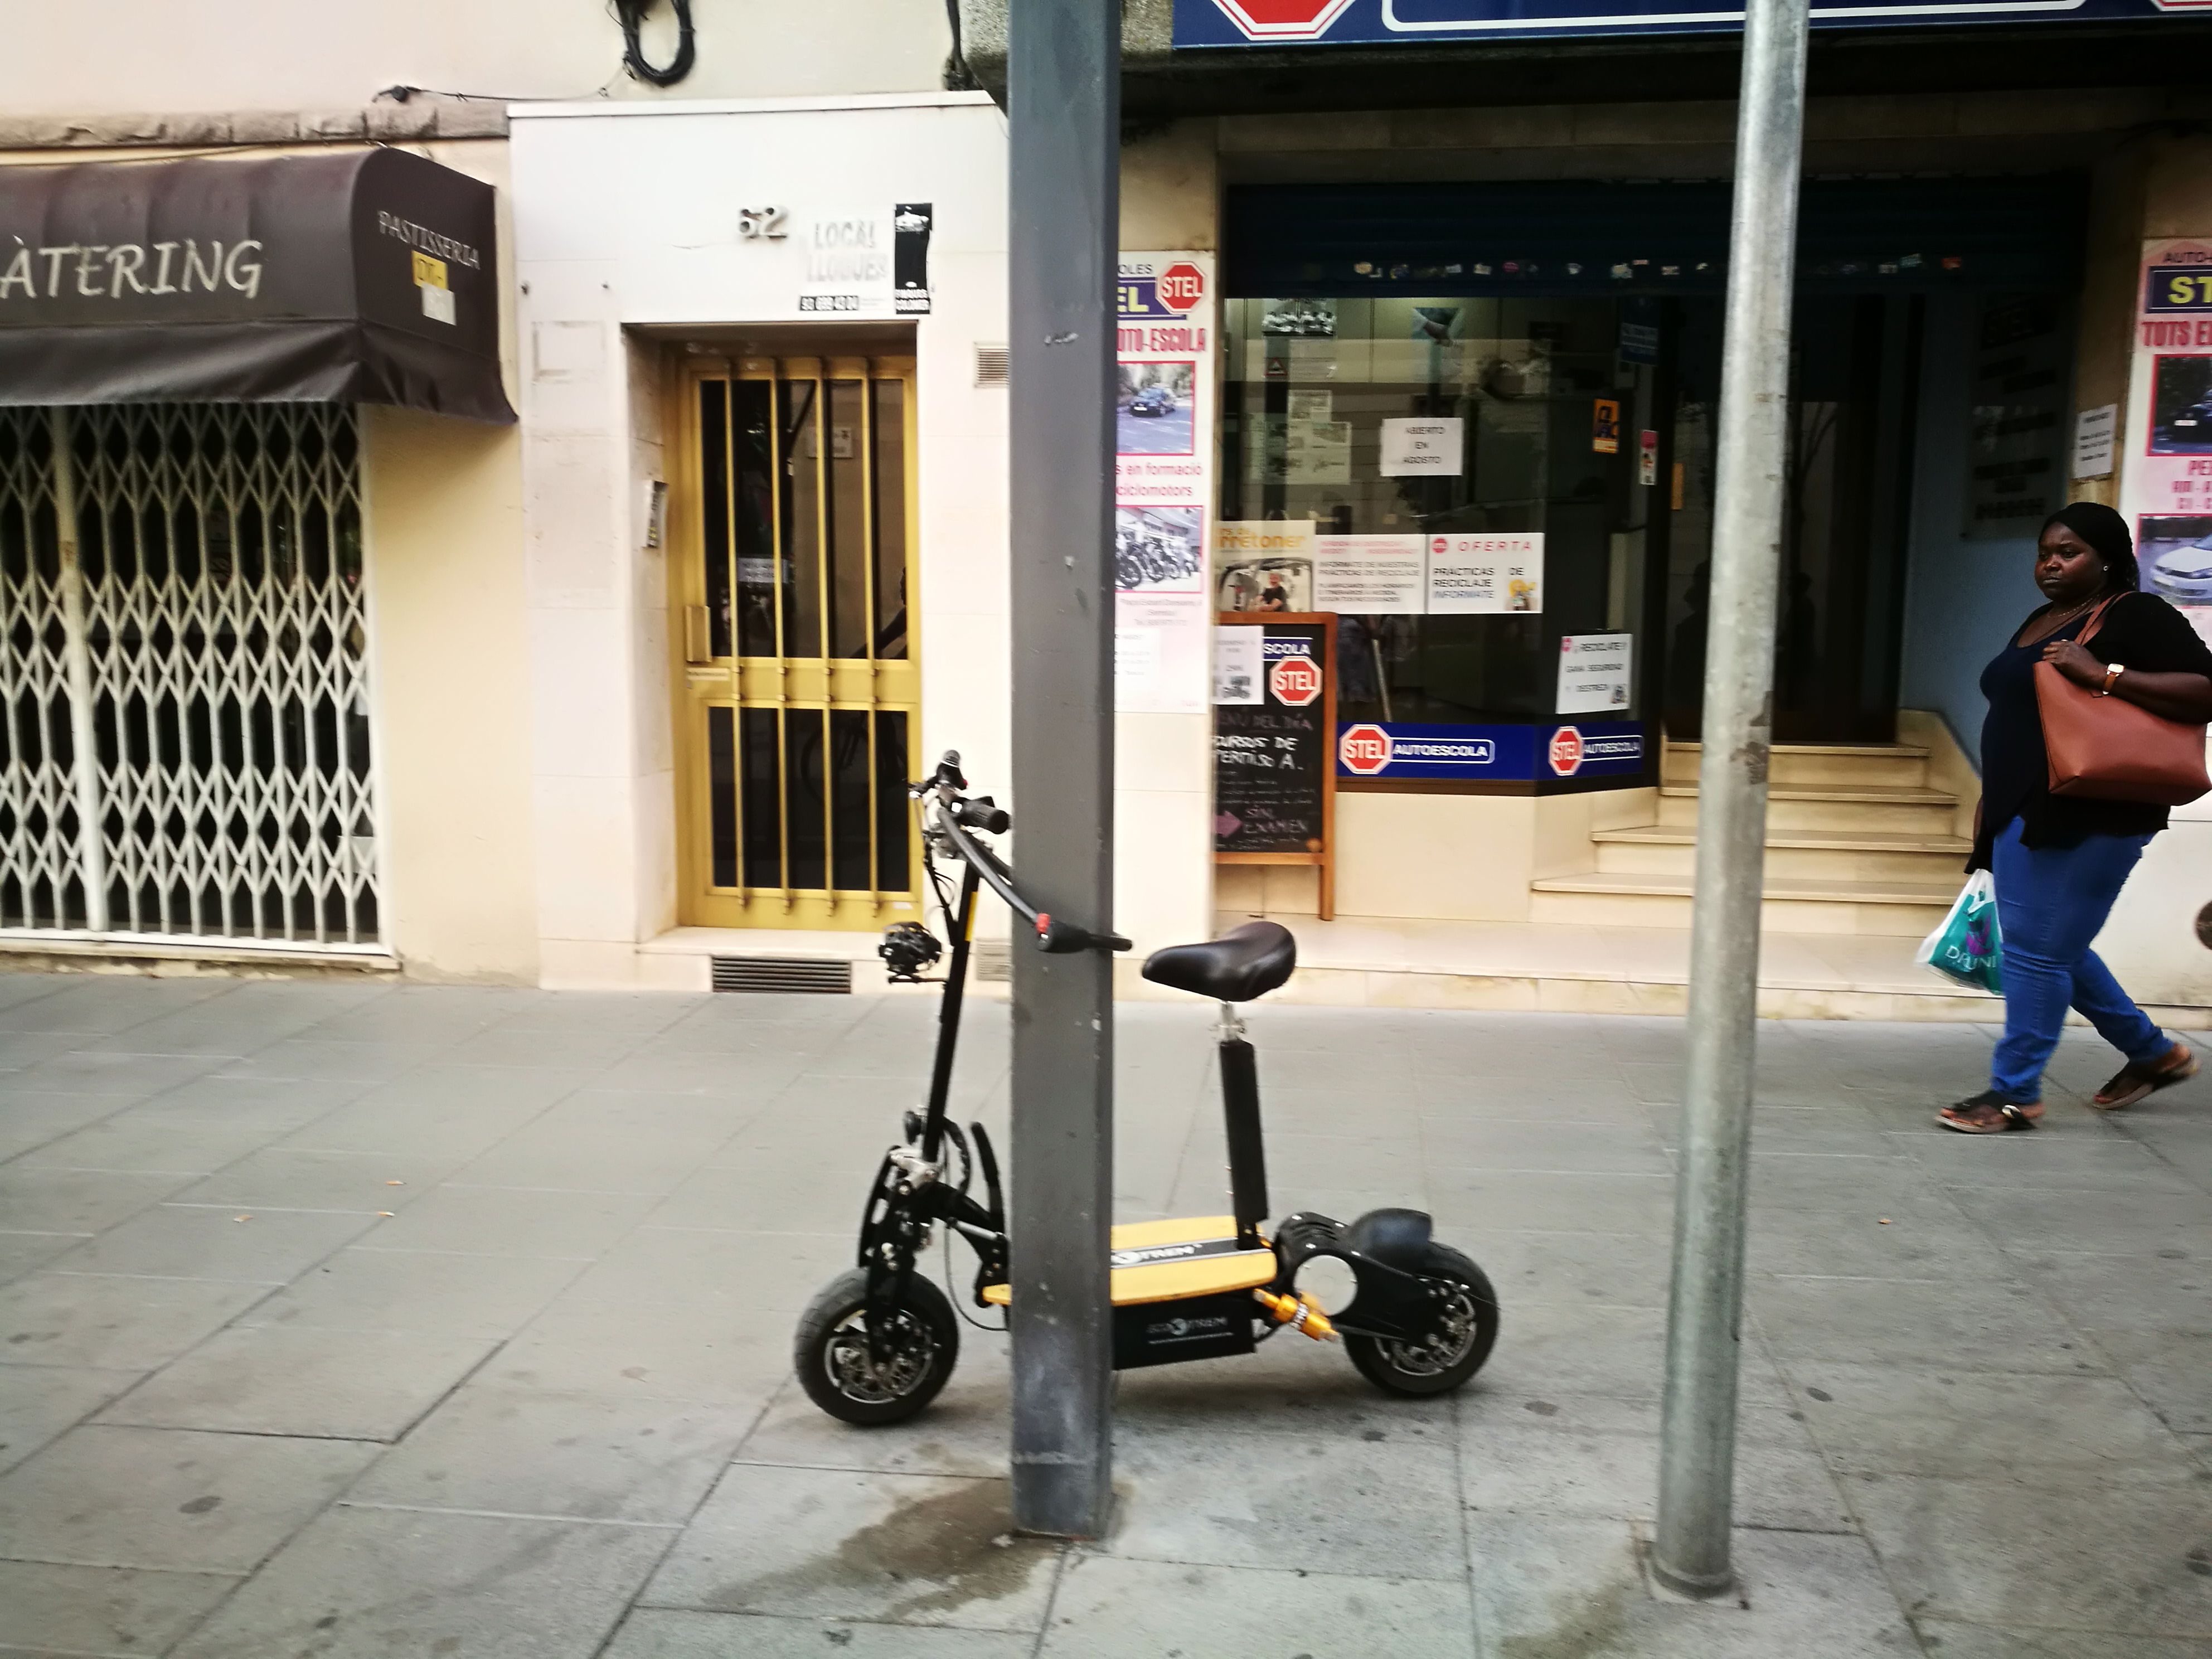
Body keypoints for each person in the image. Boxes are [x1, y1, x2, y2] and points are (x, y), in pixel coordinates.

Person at [1941, 502, 2212, 1133]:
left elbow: (2206, 688)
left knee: (2037, 953)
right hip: (2021, 805)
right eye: (2044, 552)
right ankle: (2153, 1053)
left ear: (2109, 559)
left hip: (2094, 811)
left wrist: (2104, 674)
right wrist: (1991, 798)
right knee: (2047, 946)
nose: (2050, 564)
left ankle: (2014, 1092)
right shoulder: (2043, 618)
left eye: (2068, 553)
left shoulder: (2134, 614)